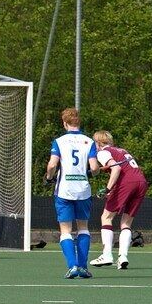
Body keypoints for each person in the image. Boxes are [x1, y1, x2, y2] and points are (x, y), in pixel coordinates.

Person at [45, 108, 100, 279]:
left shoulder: (59, 141)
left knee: (66, 230)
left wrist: (48, 177)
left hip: (64, 190)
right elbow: (95, 168)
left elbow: (52, 165)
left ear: (64, 123)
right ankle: (83, 267)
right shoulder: (88, 141)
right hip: (83, 190)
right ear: (79, 122)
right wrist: (92, 172)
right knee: (83, 228)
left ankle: (72, 266)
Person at [89, 131, 148, 270]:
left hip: (127, 183)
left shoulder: (102, 152)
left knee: (106, 217)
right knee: (126, 222)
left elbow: (116, 168)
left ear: (98, 143)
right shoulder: (122, 150)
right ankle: (122, 257)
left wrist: (108, 189)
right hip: (141, 182)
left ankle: (107, 254)